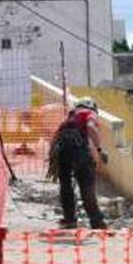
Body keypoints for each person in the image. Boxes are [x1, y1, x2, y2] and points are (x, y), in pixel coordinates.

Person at [48, 97, 109, 229]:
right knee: (86, 185)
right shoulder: (89, 113)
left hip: (62, 151)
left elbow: (55, 136)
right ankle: (96, 221)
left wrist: (53, 157)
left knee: (66, 186)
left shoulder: (70, 116)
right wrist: (99, 149)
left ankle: (70, 219)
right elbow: (91, 127)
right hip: (79, 151)